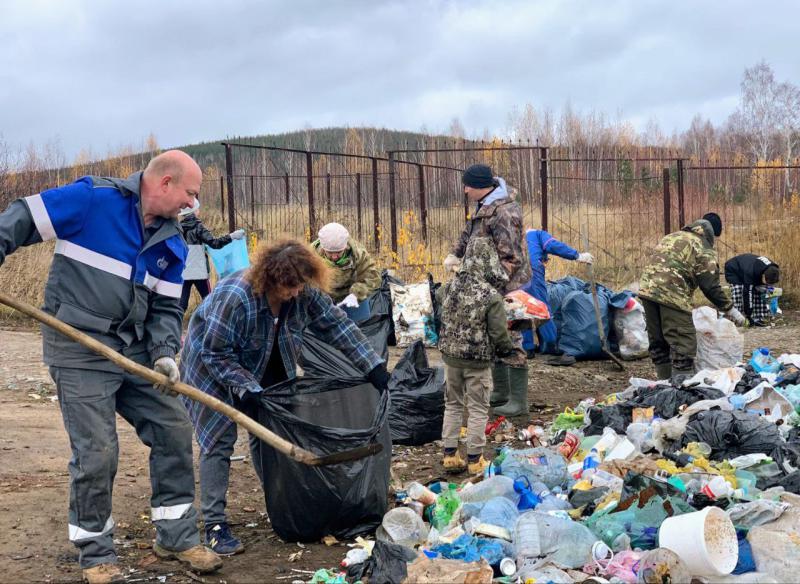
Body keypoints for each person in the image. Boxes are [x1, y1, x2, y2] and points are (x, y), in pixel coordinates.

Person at [0, 150, 222, 583]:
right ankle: (96, 552)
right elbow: (23, 216)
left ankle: (175, 536)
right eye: (190, 194)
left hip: (133, 349)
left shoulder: (173, 242)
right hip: (78, 346)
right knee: (98, 451)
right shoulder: (92, 200)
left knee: (173, 428)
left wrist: (162, 352)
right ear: (165, 183)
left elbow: (164, 309)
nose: (192, 205)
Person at [179, 238, 390, 556]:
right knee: (218, 441)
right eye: (287, 287)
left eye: (299, 286)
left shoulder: (303, 292)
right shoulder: (237, 297)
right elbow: (214, 351)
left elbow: (336, 326)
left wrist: (372, 365)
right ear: (270, 279)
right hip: (211, 368)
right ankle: (215, 524)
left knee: (272, 430)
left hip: (268, 360)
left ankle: (280, 499)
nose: (294, 293)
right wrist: (243, 386)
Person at [443, 164, 531, 417]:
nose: (465, 189)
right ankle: (501, 393)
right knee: (492, 334)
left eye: (468, 185)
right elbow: (469, 235)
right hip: (486, 284)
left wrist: (488, 285)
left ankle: (518, 401)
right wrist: (454, 254)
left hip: (506, 284)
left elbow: (511, 258)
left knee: (509, 335)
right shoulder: (484, 206)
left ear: (480, 185)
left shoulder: (504, 212)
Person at [438, 237, 515, 475]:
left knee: (452, 404)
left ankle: (450, 455)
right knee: (479, 408)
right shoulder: (490, 295)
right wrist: (506, 349)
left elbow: (440, 301)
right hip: (478, 362)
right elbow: (498, 332)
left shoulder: (448, 287)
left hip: (450, 358)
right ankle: (475, 459)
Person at [639, 213, 745, 384]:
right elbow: (710, 285)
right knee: (683, 344)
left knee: (659, 342)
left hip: (647, 290)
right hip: (672, 293)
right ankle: (683, 391)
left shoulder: (672, 236)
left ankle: (663, 385)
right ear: (712, 234)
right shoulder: (702, 247)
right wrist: (730, 309)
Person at [517, 229, 594, 367]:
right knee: (542, 307)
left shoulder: (519, 237)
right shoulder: (539, 234)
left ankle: (527, 348)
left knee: (523, 306)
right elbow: (552, 245)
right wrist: (577, 256)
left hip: (515, 270)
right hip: (532, 270)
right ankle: (553, 344)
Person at [178, 198, 245, 311]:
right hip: (199, 272)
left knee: (181, 304)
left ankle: (175, 326)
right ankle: (210, 325)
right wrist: (232, 236)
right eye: (197, 209)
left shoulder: (178, 228)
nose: (199, 211)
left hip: (184, 272)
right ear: (194, 211)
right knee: (210, 303)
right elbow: (215, 243)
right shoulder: (198, 227)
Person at [311, 222, 381, 306]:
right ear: (322, 247)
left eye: (339, 252)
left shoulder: (358, 253)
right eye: (330, 252)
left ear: (345, 246)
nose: (334, 257)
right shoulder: (310, 255)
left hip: (349, 299)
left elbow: (372, 277)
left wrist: (355, 295)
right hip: (320, 298)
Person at [724, 253, 780, 327]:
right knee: (739, 290)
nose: (769, 285)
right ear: (764, 275)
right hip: (734, 269)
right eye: (768, 282)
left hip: (747, 266)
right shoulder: (750, 272)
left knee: (761, 289)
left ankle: (760, 317)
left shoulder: (773, 269)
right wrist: (748, 315)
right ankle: (738, 318)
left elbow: (765, 287)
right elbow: (748, 293)